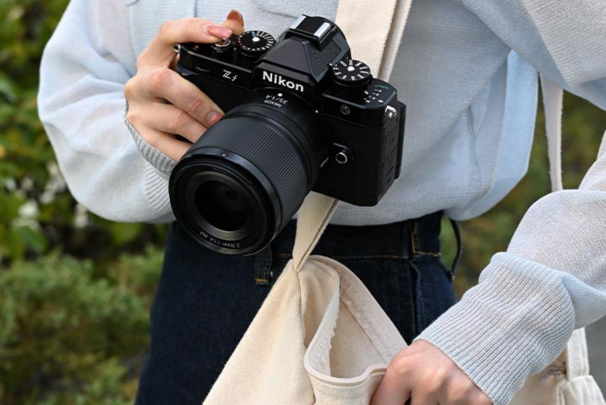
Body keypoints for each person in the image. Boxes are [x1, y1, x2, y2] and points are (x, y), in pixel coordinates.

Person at [38, 0, 606, 404]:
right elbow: (77, 85)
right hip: (194, 275)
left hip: (374, 296)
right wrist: (168, 134)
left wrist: (510, 319)